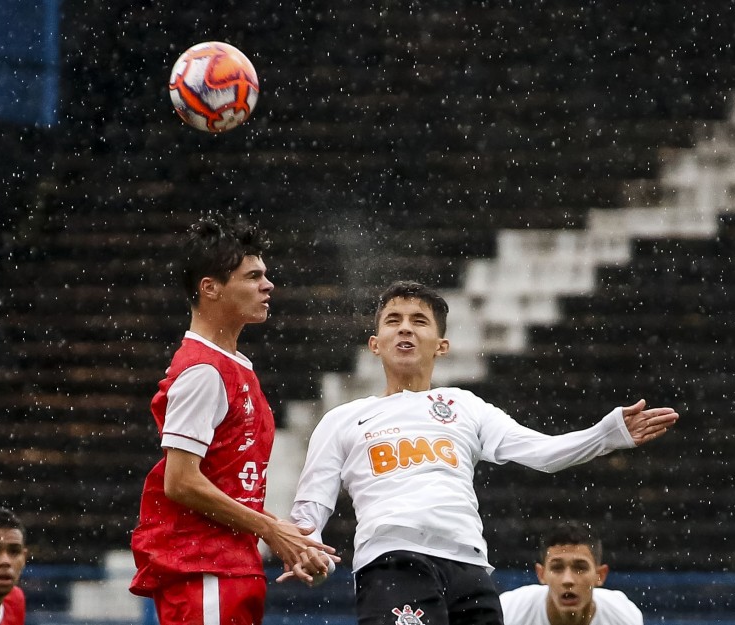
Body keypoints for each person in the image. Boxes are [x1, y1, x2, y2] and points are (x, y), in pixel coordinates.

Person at [282, 280, 678, 625]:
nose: (405, 329)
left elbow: (542, 452)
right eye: (393, 321)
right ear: (375, 344)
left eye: (419, 321)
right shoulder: (342, 420)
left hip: (469, 568)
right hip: (393, 562)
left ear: (442, 345)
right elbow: (311, 506)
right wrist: (307, 549)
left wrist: (606, 434)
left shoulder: (465, 406)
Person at [130, 213, 336, 625]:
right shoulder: (203, 372)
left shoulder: (236, 366)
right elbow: (181, 481)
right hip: (203, 568)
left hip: (229, 566)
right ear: (210, 288)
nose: (268, 285)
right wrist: (270, 530)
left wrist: (289, 540)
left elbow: (227, 483)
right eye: (253, 276)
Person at [500, 521, 642, 625]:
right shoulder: (508, 612)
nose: (568, 580)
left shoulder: (624, 617)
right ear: (541, 574)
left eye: (580, 568)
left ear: (600, 575)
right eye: (557, 568)